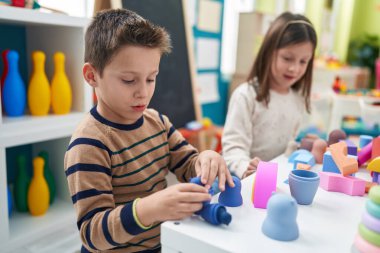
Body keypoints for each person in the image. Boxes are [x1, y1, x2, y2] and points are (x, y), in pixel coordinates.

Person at [64, 9, 234, 253]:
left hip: (161, 244)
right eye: (129, 80)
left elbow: (188, 165)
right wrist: (148, 208)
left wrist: (206, 160)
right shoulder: (89, 144)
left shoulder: (157, 122)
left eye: (151, 78)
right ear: (92, 76)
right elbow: (93, 234)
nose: (143, 92)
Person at [222, 12, 317, 179]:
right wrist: (246, 167)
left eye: (303, 61)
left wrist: (302, 147)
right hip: (240, 180)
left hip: (274, 180)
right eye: (287, 58)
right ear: (268, 52)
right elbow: (233, 149)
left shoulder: (297, 99)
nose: (294, 68)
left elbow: (286, 147)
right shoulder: (246, 95)